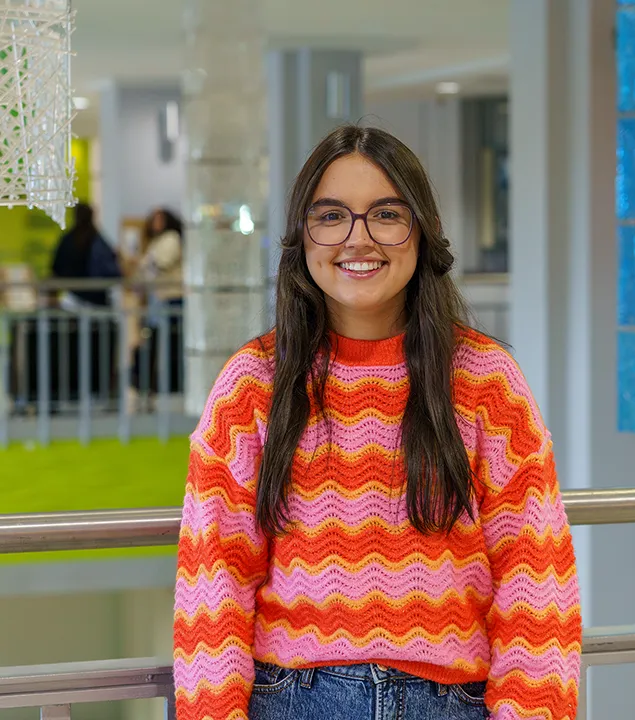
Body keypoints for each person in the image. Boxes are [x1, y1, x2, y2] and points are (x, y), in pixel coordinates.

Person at [173, 126, 582, 720]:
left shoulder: (485, 379)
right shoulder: (252, 382)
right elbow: (215, 581)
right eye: (331, 215)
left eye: (386, 214)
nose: (357, 238)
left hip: (454, 704)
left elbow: (535, 571)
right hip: (290, 701)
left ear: (421, 233)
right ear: (302, 237)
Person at [128, 208, 184, 395]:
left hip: (170, 298)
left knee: (170, 343)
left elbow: (160, 263)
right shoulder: (155, 242)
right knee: (153, 340)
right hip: (157, 299)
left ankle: (171, 383)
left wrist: (142, 264)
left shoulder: (171, 238)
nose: (156, 223)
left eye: (160, 219)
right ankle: (149, 382)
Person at [51, 202, 121, 306]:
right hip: (96, 297)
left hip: (73, 295)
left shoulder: (68, 239)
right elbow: (111, 267)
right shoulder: (97, 240)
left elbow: (56, 267)